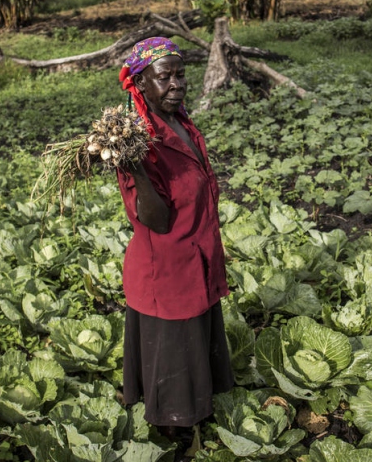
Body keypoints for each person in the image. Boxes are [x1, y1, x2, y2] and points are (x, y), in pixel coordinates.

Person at [115, 37, 234, 440]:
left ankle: (195, 417)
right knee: (173, 364)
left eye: (180, 75)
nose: (176, 84)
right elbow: (156, 221)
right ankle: (174, 436)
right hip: (165, 272)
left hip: (194, 259)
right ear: (141, 84)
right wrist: (137, 171)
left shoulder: (180, 123)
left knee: (194, 349)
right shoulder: (138, 143)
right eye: (164, 77)